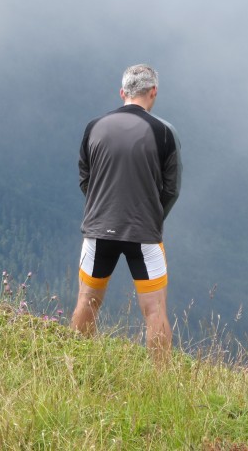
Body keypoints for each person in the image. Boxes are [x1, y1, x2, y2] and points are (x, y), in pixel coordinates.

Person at [71, 64, 182, 364]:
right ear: (153, 92)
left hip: (98, 230)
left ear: (122, 93)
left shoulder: (94, 126)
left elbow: (85, 178)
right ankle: (161, 386)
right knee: (155, 310)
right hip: (144, 233)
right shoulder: (163, 133)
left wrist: (102, 209)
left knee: (86, 302)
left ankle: (76, 370)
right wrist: (151, 216)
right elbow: (171, 189)